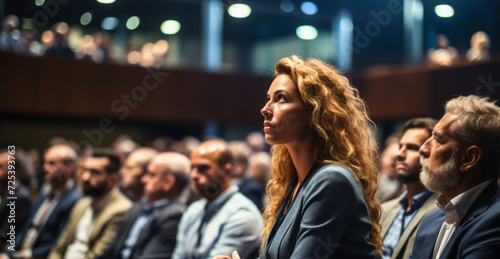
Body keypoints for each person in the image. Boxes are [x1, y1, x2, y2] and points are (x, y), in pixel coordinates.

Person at [218, 55, 382, 259]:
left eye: (281, 99)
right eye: (268, 98)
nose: (265, 110)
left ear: (315, 112)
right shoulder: (294, 183)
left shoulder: (332, 180)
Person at [411, 95, 500, 258]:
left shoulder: (495, 220)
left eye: (438, 139)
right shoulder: (431, 219)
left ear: (468, 158)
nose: (423, 148)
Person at [172, 139, 263, 259]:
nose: (193, 175)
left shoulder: (242, 215)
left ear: (227, 171)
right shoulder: (193, 210)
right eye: (192, 168)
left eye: (203, 168)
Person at [97, 152, 190, 259]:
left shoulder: (174, 216)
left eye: (151, 175)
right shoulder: (137, 208)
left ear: (168, 182)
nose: (143, 179)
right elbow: (111, 251)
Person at [48, 150, 132, 259]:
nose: (85, 177)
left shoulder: (122, 210)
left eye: (95, 172)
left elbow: (98, 255)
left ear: (113, 179)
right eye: (84, 171)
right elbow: (60, 247)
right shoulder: (81, 204)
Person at [380, 118, 438, 259]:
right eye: (400, 146)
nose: (399, 154)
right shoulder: (385, 209)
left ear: (431, 153)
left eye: (412, 148)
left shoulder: (442, 211)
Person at [13, 145, 82, 259]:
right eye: (44, 163)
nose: (45, 168)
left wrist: (27, 254)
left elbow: (59, 243)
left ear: (69, 168)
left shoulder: (75, 201)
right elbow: (25, 229)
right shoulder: (43, 196)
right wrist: (7, 252)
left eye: (52, 163)